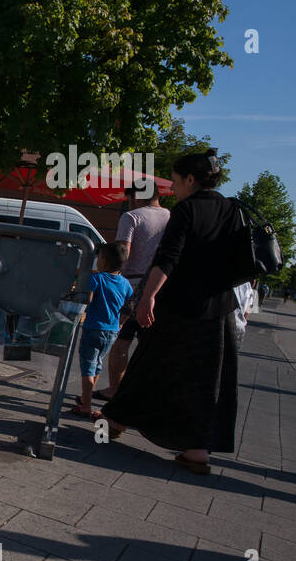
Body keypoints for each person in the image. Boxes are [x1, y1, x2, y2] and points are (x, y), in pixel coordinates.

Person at [101, 149, 240, 475]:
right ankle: (197, 451)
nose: (174, 189)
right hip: (219, 309)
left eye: (176, 181)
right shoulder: (232, 210)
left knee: (150, 361)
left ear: (190, 179)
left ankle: (113, 421)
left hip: (179, 304)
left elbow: (169, 258)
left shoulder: (186, 209)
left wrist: (148, 296)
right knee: (207, 379)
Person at [100, 186, 170, 398]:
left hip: (132, 285)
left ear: (137, 197)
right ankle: (146, 394)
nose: (128, 203)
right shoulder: (173, 218)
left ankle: (115, 390)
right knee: (151, 346)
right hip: (162, 286)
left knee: (121, 342)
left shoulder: (131, 217)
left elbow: (123, 253)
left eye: (129, 199)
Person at [72, 243, 132, 419]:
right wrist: (121, 323)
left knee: (87, 367)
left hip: (93, 328)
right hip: (112, 331)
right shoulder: (125, 284)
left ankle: (86, 406)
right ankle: (85, 397)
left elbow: (87, 299)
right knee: (97, 364)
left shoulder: (97, 279)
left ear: (104, 261)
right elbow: (129, 308)